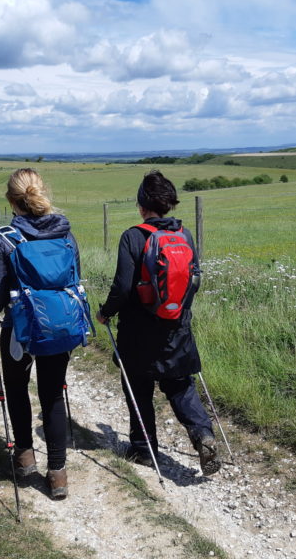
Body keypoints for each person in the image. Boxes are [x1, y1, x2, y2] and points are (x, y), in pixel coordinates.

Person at [96, 170, 221, 475]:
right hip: (176, 327)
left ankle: (143, 448)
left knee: (137, 386)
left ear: (141, 205)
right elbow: (195, 280)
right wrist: (179, 312)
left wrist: (105, 313)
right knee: (180, 385)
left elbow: (123, 287)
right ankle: (203, 434)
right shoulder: (184, 235)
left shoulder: (133, 236)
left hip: (137, 331)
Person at [0, 168, 79, 500]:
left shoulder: (4, 238)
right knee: (52, 395)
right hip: (59, 325)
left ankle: (24, 456)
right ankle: (58, 475)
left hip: (19, 330)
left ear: (11, 199)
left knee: (17, 389)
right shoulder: (65, 232)